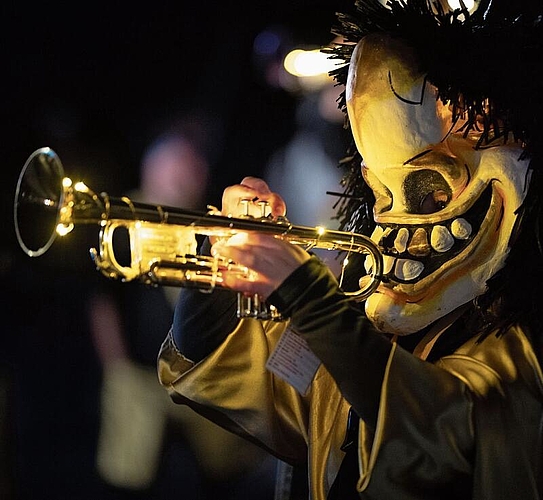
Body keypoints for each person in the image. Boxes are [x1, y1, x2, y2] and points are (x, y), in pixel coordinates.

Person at [157, 1, 543, 499]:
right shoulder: (370, 332)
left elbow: (436, 433)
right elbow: (227, 375)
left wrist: (306, 293)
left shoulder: (520, 347)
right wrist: (215, 265)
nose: (400, 217)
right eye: (381, 193)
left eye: (434, 192)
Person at [89, 116, 278, 499]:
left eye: (193, 166)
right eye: (176, 164)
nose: (186, 175)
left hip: (199, 377)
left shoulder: (209, 225)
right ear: (151, 166)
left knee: (220, 475)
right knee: (131, 476)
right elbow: (101, 301)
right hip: (140, 375)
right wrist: (117, 366)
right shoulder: (124, 219)